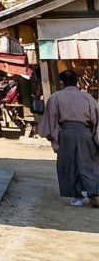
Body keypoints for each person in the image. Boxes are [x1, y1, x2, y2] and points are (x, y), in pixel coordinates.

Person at [36, 69, 99, 207]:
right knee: (88, 163)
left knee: (69, 165)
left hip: (66, 133)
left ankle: (77, 197)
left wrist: (53, 137)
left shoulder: (56, 97)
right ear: (76, 81)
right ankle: (93, 191)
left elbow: (51, 120)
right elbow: (96, 118)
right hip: (85, 132)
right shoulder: (88, 97)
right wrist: (93, 135)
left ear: (62, 82)